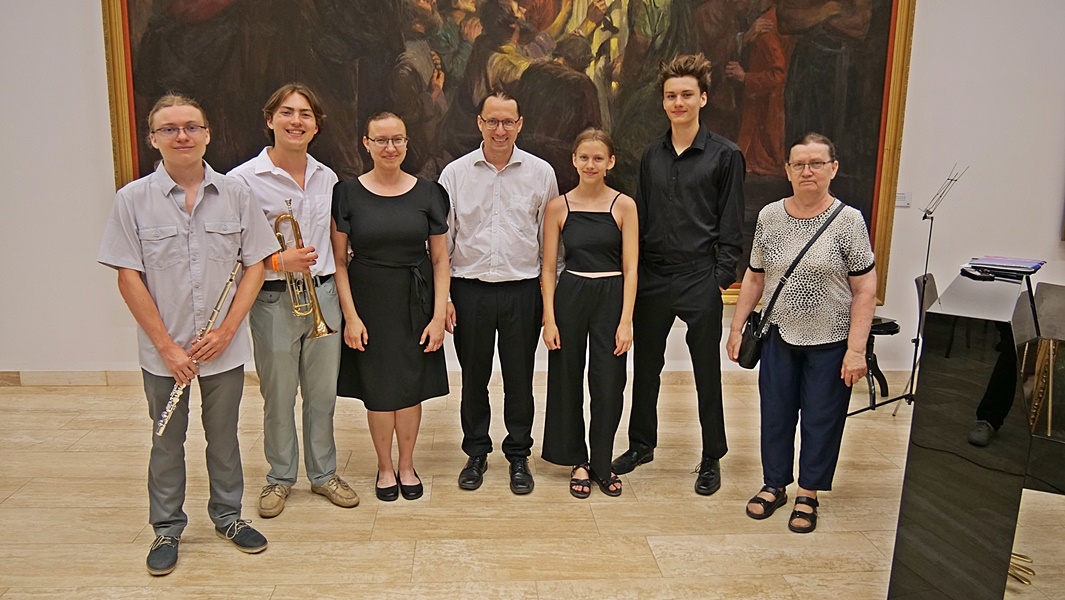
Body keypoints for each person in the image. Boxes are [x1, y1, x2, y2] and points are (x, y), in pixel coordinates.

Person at [98, 94, 278, 575]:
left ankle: (228, 518)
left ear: (207, 134)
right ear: (153, 138)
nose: (182, 136)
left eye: (192, 127)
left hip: (223, 348)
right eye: (170, 129)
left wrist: (227, 331)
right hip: (165, 354)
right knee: (165, 441)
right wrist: (167, 347)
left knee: (224, 439)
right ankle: (166, 527)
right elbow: (128, 278)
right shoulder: (132, 199)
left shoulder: (236, 194)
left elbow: (255, 266)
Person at [726, 132, 876, 533]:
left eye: (816, 163)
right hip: (778, 335)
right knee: (775, 414)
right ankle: (774, 484)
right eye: (799, 164)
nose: (807, 171)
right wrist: (737, 327)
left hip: (831, 339)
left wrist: (856, 350)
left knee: (821, 418)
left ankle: (808, 492)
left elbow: (865, 289)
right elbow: (755, 277)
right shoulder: (770, 216)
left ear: (833, 169)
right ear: (788, 170)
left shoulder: (849, 221)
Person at [612, 53, 745, 497]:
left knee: (706, 370)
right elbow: (643, 217)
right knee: (645, 367)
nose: (678, 103)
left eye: (687, 94)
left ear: (703, 98)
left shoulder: (726, 155)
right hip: (653, 275)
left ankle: (712, 456)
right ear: (663, 102)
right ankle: (641, 445)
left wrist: (718, 276)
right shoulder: (652, 154)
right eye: (671, 96)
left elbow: (732, 223)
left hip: (698, 274)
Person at [228, 83, 359, 519]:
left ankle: (324, 474)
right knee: (279, 396)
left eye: (305, 114)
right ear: (270, 120)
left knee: (322, 396)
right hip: (272, 299)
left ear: (316, 125)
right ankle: (280, 477)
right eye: (287, 112)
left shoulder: (327, 177)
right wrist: (276, 260)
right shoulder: (242, 180)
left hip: (323, 295)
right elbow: (230, 249)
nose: (296, 121)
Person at [439, 91, 559, 495]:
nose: (500, 129)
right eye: (492, 121)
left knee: (519, 379)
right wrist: (446, 298)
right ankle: (476, 452)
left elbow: (549, 242)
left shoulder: (541, 173)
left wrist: (548, 298)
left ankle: (519, 454)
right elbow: (443, 243)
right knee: (473, 378)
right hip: (468, 291)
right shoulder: (455, 174)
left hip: (522, 291)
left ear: (520, 124)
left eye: (508, 121)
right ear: (480, 123)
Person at [331, 113, 451, 502]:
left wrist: (438, 316)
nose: (390, 147)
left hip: (415, 302)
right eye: (381, 140)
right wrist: (351, 317)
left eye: (397, 139)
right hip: (369, 302)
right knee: (379, 389)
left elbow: (440, 260)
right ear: (366, 144)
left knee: (410, 387)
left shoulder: (428, 193)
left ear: (406, 142)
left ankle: (407, 465)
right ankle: (385, 467)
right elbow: (338, 262)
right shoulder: (346, 193)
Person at [541, 129, 638, 498]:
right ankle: (577, 459)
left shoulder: (624, 206)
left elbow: (631, 268)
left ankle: (601, 461)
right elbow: (548, 268)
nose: (590, 164)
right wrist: (549, 318)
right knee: (566, 378)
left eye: (598, 158)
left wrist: (626, 321)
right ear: (574, 160)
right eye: (584, 157)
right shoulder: (558, 207)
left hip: (611, 295)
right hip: (571, 294)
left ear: (610, 162)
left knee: (609, 382)